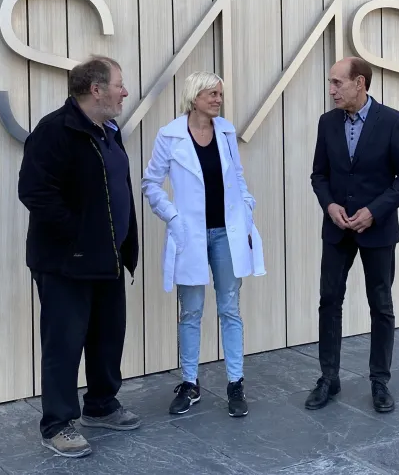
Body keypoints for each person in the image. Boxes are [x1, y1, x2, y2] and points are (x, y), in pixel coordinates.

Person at [17, 55, 142, 459]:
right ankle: (57, 424)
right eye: (119, 84)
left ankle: (101, 406)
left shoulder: (109, 129)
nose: (124, 92)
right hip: (66, 262)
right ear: (96, 89)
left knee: (108, 336)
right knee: (65, 343)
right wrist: (79, 235)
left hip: (106, 258)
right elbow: (34, 192)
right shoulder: (55, 130)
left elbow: (116, 186)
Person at [141, 71, 265, 418]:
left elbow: (237, 176)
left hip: (226, 233)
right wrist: (173, 216)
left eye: (220, 94)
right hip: (191, 235)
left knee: (230, 308)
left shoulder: (225, 131)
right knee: (191, 311)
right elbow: (150, 182)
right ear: (194, 96)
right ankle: (191, 383)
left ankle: (235, 383)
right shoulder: (170, 135)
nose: (218, 99)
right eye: (212, 93)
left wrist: (246, 205)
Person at [305, 57, 399, 414]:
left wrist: (375, 211)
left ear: (360, 83)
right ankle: (329, 378)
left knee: (381, 306)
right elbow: (318, 175)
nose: (332, 90)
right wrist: (330, 206)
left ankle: (379, 382)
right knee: (329, 301)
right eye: (331, 82)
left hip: (378, 231)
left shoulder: (394, 123)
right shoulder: (327, 123)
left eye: (338, 83)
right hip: (337, 231)